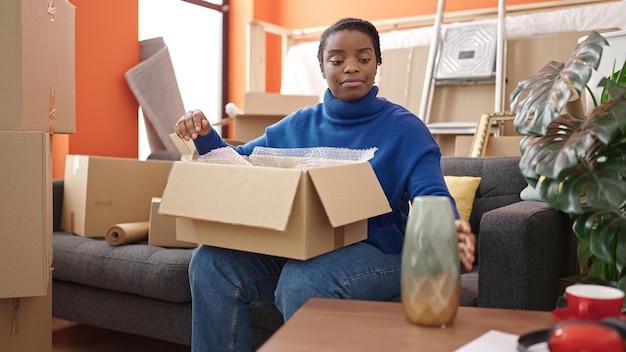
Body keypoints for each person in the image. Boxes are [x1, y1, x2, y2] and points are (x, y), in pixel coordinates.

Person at [174, 17, 476, 352]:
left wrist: (449, 237)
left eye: (363, 58)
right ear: (322, 67)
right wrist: (205, 136)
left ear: (377, 63)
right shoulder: (299, 124)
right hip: (304, 244)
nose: (351, 68)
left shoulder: (405, 129)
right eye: (337, 60)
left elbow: (432, 195)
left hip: (380, 250)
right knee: (210, 263)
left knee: (304, 280)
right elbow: (239, 164)